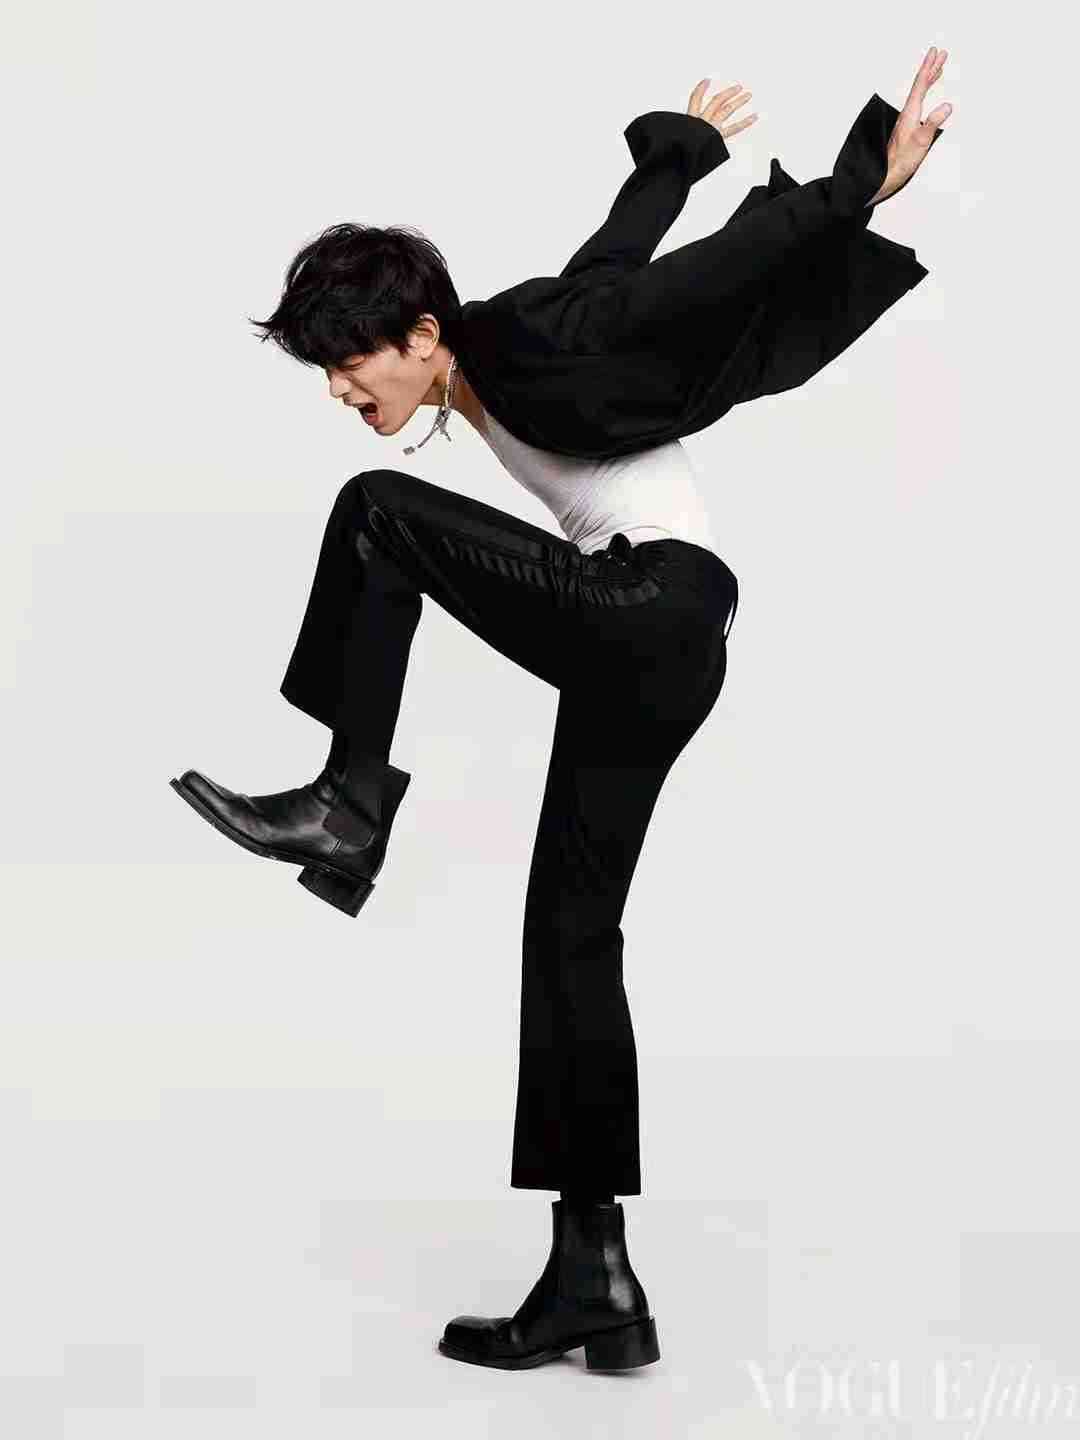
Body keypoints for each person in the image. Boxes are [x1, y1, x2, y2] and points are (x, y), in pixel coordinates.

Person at [170, 52, 951, 1372]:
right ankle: (596, 1279)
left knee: (377, 515)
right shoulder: (505, 349)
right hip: (663, 642)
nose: (338, 390)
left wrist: (852, 188)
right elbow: (621, 248)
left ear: (422, 338)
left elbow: (681, 284)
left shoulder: (523, 337)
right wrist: (678, 152)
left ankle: (348, 806)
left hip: (649, 605)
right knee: (569, 939)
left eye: (347, 362)